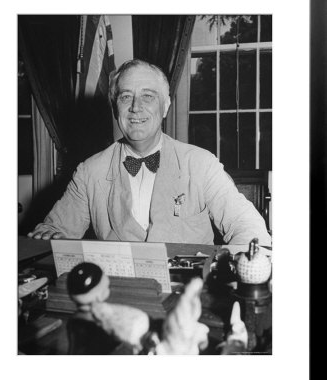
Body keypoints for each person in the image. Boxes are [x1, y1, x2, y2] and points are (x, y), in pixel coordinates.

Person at [28, 59, 271, 246]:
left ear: (165, 106)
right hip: (118, 296)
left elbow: (247, 226)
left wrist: (246, 266)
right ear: (115, 108)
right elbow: (54, 231)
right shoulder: (90, 171)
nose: (136, 107)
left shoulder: (201, 164)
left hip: (187, 298)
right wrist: (47, 236)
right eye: (126, 97)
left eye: (148, 96)